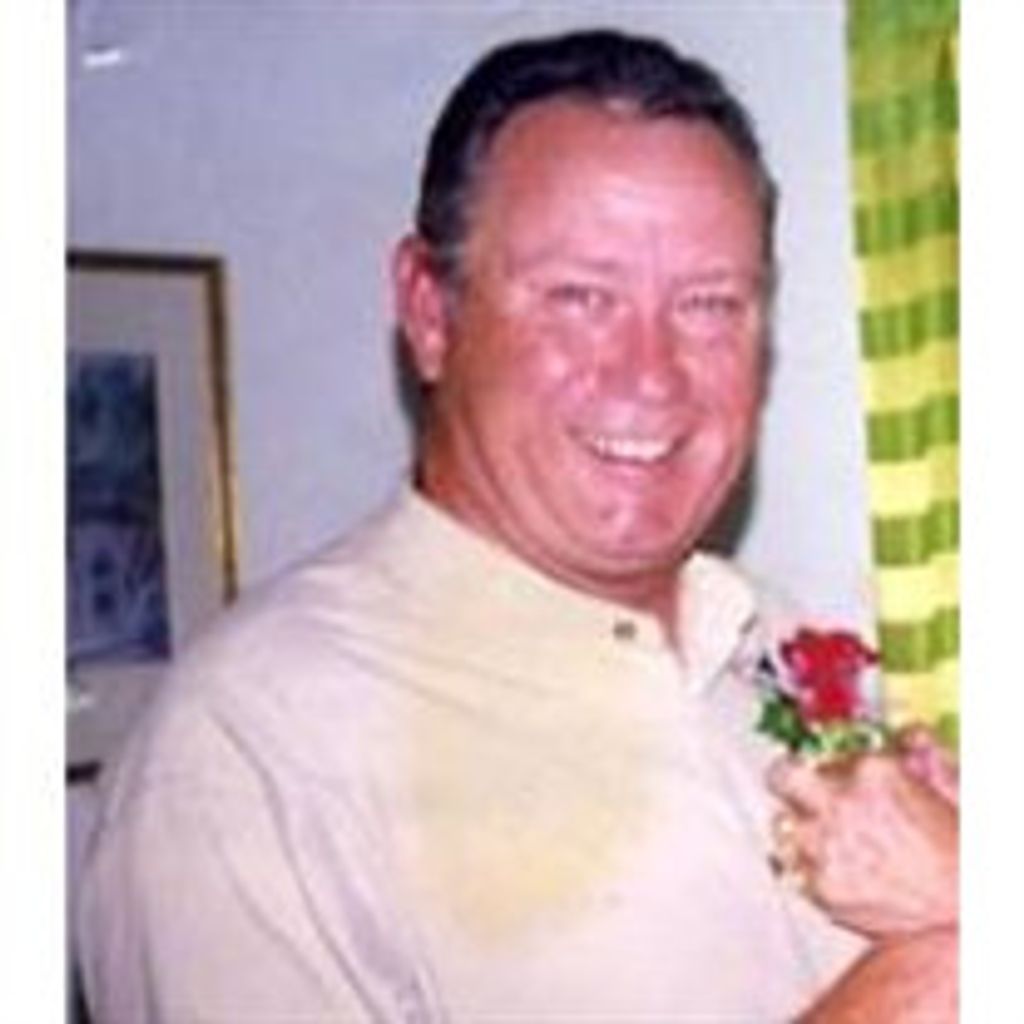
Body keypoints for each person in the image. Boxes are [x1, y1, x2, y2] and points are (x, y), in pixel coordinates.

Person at [77, 28, 950, 1022]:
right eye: (580, 298)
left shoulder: (774, 641)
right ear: (430, 313)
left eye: (710, 305)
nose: (651, 375)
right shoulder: (247, 756)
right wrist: (935, 972)